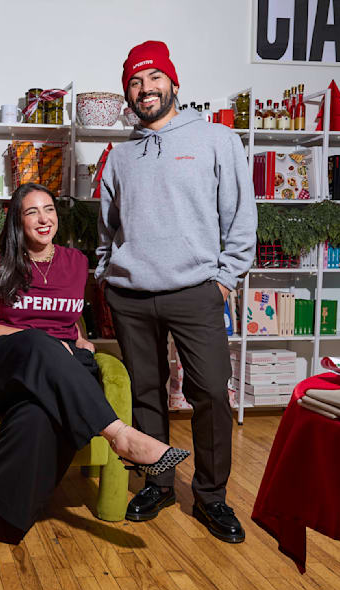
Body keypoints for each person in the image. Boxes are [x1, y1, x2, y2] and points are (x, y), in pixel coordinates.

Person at [0, 183, 191, 560]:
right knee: (37, 342)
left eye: (49, 209)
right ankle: (120, 436)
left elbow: (69, 318)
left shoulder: (76, 262)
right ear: (17, 220)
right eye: (32, 212)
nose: (43, 219)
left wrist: (78, 338)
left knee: (35, 417)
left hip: (52, 370)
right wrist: (45, 341)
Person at [95, 40, 257, 544]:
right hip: (131, 295)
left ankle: (211, 497)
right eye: (135, 83)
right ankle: (159, 483)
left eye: (153, 79)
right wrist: (107, 273)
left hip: (195, 290)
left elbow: (240, 215)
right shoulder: (119, 156)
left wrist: (225, 277)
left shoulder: (216, 140)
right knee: (146, 394)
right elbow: (106, 227)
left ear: (173, 82)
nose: (145, 89)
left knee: (209, 390)